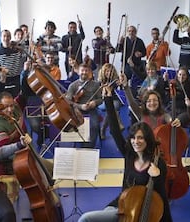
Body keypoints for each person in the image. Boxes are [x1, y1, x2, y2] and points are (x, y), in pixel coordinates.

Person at [77, 85, 172, 222]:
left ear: (147, 140)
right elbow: (115, 130)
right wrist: (108, 99)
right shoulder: (129, 155)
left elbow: (162, 198)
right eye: (133, 138)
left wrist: (157, 177)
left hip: (140, 213)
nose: (136, 141)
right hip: (122, 205)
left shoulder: (157, 163)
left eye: (140, 138)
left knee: (85, 219)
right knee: (95, 216)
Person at [66, 63, 102, 148]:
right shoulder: (73, 86)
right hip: (77, 110)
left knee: (94, 125)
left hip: (91, 109)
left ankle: (89, 148)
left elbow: (101, 99)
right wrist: (80, 106)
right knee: (72, 125)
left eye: (86, 70)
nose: (84, 72)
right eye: (82, 70)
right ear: (78, 72)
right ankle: (78, 144)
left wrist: (95, 103)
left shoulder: (95, 85)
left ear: (90, 72)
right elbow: (68, 102)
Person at [0, 91, 25, 176]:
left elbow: (25, 92)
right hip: (14, 162)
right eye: (5, 107)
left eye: (11, 105)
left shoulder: (15, 109)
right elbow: (5, 152)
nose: (10, 110)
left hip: (26, 154)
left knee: (51, 169)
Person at [116, 25, 146, 97]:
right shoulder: (124, 40)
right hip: (126, 64)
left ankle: (134, 96)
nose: (131, 32)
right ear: (127, 32)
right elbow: (117, 50)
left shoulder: (139, 41)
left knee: (134, 81)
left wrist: (140, 54)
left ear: (135, 32)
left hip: (136, 65)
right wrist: (119, 43)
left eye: (133, 31)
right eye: (129, 31)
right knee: (123, 80)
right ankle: (124, 95)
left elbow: (145, 53)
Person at [97, 63, 124, 140]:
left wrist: (120, 84)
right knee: (112, 107)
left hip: (114, 100)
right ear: (103, 72)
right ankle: (117, 125)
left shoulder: (115, 80)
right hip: (103, 101)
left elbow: (120, 91)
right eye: (107, 71)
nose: (109, 73)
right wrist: (103, 90)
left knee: (113, 107)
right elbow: (100, 97)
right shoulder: (100, 82)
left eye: (110, 71)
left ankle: (103, 129)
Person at [0, 29, 24, 97]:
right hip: (4, 79)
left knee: (16, 99)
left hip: (16, 79)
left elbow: (23, 60)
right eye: (4, 36)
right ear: (0, 38)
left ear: (10, 38)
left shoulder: (16, 49)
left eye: (8, 36)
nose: (6, 38)